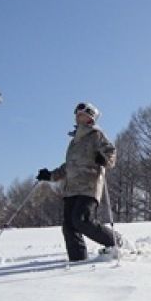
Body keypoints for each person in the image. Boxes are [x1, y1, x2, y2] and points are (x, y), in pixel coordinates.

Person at [36, 102, 122, 261]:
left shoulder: (96, 135)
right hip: (71, 189)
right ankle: (78, 260)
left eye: (82, 114)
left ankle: (115, 241)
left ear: (91, 117)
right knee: (69, 227)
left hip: (88, 186)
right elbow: (68, 166)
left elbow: (111, 153)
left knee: (81, 220)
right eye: (77, 114)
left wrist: (104, 159)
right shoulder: (74, 141)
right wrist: (50, 176)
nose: (78, 117)